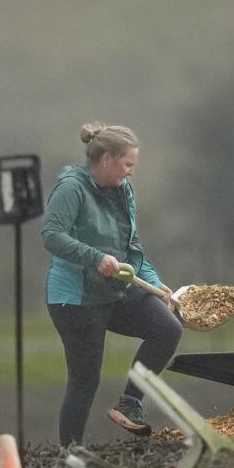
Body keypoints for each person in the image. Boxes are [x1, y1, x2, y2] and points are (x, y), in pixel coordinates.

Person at [40, 122, 184, 442]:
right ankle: (70, 454)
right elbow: (51, 235)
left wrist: (154, 282)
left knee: (168, 328)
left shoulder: (123, 191)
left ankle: (130, 403)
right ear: (106, 158)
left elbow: (132, 248)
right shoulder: (72, 188)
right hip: (74, 299)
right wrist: (95, 257)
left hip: (114, 291)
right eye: (128, 164)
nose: (131, 172)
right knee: (85, 379)